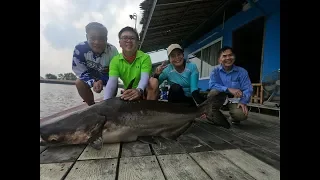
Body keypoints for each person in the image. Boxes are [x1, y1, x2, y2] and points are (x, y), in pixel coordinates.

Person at [103, 26, 157, 100]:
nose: (128, 41)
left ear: (138, 42)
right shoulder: (115, 61)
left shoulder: (145, 57)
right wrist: (105, 101)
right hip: (128, 91)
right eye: (125, 38)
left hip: (144, 90)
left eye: (132, 38)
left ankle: (150, 108)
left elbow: (145, 77)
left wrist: (139, 90)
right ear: (120, 43)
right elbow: (112, 82)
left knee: (153, 82)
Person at [72, 22, 119, 106]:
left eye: (101, 38)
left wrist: (102, 79)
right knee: (79, 82)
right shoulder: (79, 49)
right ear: (87, 37)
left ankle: (109, 104)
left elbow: (116, 72)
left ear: (106, 39)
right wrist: (93, 82)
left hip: (107, 76)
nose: (97, 42)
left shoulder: (113, 51)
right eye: (93, 38)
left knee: (114, 83)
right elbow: (79, 71)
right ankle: (91, 105)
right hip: (89, 75)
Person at [208, 46, 253, 124]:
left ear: (234, 57)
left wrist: (243, 101)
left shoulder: (242, 72)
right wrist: (228, 89)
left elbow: (248, 89)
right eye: (224, 56)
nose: (228, 58)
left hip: (235, 99)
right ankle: (214, 113)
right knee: (213, 92)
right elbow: (212, 85)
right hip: (220, 98)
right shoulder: (215, 71)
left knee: (241, 115)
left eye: (230, 55)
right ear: (219, 60)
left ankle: (233, 117)